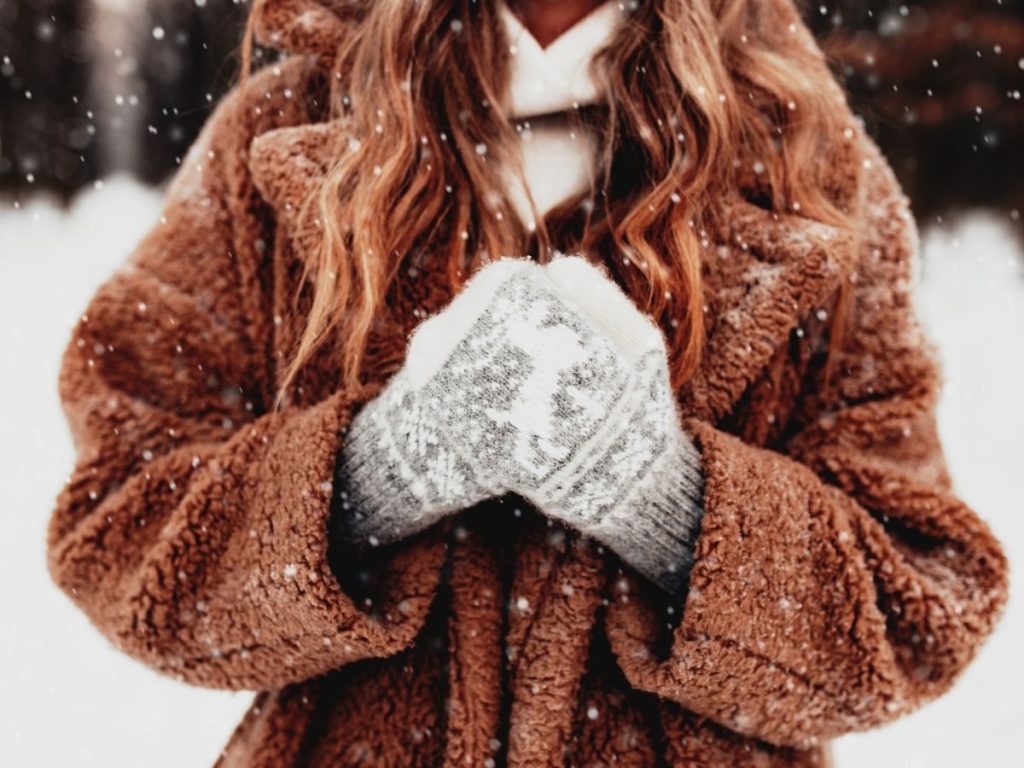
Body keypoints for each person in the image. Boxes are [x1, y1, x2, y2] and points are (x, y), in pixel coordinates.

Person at [47, 1, 1008, 766]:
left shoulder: (811, 166)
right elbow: (121, 514)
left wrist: (671, 505)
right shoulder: (282, 134)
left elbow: (917, 601)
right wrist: (373, 480)